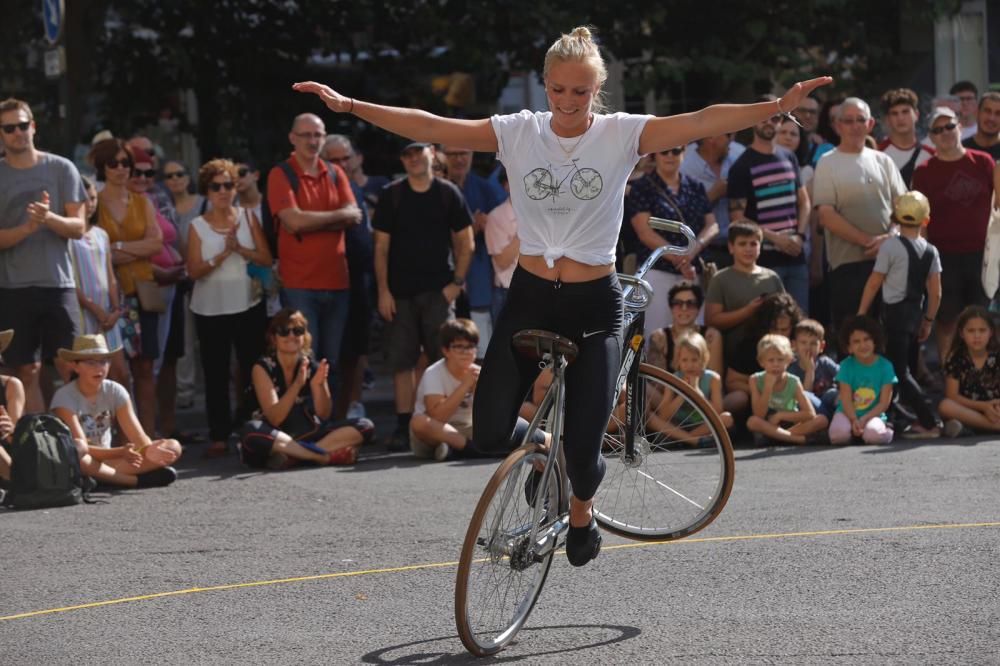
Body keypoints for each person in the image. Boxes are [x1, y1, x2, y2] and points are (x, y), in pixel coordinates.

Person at [293, 25, 830, 566]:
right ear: (544, 85)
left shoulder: (622, 133)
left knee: (587, 450)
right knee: (491, 432)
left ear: (595, 91)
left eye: (580, 92)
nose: (568, 102)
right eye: (558, 90)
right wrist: (351, 105)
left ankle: (580, 512)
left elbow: (700, 119)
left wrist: (775, 106)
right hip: (529, 295)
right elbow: (435, 125)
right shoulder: (517, 131)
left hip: (594, 302)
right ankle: (542, 453)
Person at [371, 142, 474, 452]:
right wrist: (383, 291)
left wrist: (456, 284)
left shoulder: (447, 193)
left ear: (431, 154)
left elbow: (466, 243)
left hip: (438, 293)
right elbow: (381, 249)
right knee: (401, 363)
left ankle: (450, 421)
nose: (413, 159)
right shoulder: (392, 194)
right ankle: (405, 427)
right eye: (406, 154)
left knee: (445, 358)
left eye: (418, 152)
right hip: (399, 294)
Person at [0, 98, 87, 413]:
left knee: (72, 368)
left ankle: (81, 447)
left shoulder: (62, 168)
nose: (18, 133)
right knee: (26, 371)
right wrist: (27, 228)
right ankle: (37, 448)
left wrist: (48, 219)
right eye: (9, 128)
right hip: (12, 288)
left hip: (58, 284)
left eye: (23, 125)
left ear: (33, 126)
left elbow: (79, 227)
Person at [268, 114, 362, 394]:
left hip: (337, 282)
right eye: (306, 135)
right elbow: (293, 221)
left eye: (317, 135)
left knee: (330, 362)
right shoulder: (280, 174)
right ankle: (305, 424)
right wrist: (335, 218)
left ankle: (327, 426)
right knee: (303, 359)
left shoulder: (335, 173)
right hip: (300, 284)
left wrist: (311, 220)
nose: (312, 141)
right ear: (292, 138)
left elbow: (354, 215)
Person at [187, 159, 272, 457]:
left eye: (228, 185)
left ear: (236, 188)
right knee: (215, 372)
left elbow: (265, 258)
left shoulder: (249, 218)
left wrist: (241, 250)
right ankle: (219, 434)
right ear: (207, 191)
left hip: (248, 304)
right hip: (210, 309)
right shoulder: (197, 225)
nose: (223, 191)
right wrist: (221, 256)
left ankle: (251, 426)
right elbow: (194, 271)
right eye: (216, 186)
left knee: (253, 369)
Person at [812, 97, 906, 348]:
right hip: (848, 267)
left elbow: (904, 209)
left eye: (860, 120)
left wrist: (891, 236)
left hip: (890, 264)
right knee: (853, 340)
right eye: (848, 121)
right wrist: (870, 242)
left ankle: (891, 389)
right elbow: (826, 216)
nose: (855, 126)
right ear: (837, 125)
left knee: (891, 341)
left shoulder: (883, 161)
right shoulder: (827, 162)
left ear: (871, 123)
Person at [239, 308, 373, 469]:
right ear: (273, 338)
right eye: (283, 331)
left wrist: (319, 385)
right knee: (251, 430)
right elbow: (275, 418)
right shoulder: (262, 368)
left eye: (298, 331)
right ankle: (320, 456)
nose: (291, 336)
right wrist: (297, 385)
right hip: (273, 436)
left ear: (305, 337)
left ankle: (294, 456)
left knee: (365, 426)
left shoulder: (312, 366)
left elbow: (323, 415)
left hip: (305, 434)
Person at [92, 140, 164, 434]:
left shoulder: (141, 201)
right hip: (109, 296)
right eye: (114, 163)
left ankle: (147, 436)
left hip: (142, 292)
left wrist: (119, 246)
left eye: (126, 163)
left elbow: (156, 243)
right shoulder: (94, 202)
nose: (121, 169)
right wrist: (137, 248)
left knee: (145, 369)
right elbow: (96, 247)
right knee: (117, 371)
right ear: (102, 167)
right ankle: (123, 439)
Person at [912, 106, 995, 363]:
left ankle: (984, 378)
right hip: (943, 257)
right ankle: (950, 377)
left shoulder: (983, 162)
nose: (945, 132)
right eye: (938, 129)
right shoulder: (924, 171)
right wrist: (924, 261)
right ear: (931, 137)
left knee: (983, 320)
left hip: (984, 256)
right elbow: (921, 221)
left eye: (949, 126)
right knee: (947, 321)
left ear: (960, 126)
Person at [857, 190, 942, 438]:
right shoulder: (931, 250)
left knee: (898, 370)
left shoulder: (890, 247)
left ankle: (929, 421)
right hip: (916, 313)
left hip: (894, 314)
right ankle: (907, 418)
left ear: (895, 217)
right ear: (925, 221)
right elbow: (936, 293)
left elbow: (874, 282)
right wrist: (928, 320)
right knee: (909, 368)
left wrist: (862, 313)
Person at [51, 334, 181, 488]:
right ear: (75, 366)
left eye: (103, 362)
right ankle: (135, 481)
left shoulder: (115, 390)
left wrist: (150, 451)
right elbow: (80, 447)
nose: (99, 368)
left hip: (110, 462)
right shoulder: (64, 397)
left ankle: (105, 480)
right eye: (91, 363)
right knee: (81, 457)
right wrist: (121, 452)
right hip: (82, 461)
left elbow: (138, 436)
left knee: (173, 446)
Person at [728, 97, 811, 312]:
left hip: (796, 255)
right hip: (762, 259)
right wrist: (776, 239)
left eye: (775, 118)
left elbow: (804, 202)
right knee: (770, 322)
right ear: (754, 121)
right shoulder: (741, 166)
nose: (769, 122)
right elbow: (737, 218)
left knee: (801, 320)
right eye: (763, 117)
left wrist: (800, 236)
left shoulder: (789, 157)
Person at [627, 143, 719, 333]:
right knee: (656, 334)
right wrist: (680, 257)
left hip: (692, 271)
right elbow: (644, 232)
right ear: (656, 155)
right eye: (664, 151)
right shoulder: (642, 187)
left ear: (684, 153)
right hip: (657, 271)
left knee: (693, 335)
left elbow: (712, 225)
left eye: (676, 151)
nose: (670, 155)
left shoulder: (695, 186)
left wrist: (693, 251)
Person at [704, 220, 785, 412]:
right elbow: (712, 320)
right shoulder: (721, 279)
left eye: (753, 244)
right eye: (742, 244)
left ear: (760, 247)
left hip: (771, 355)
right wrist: (747, 311)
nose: (748, 249)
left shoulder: (772, 277)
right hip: (735, 359)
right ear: (731, 247)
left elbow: (785, 314)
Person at [441, 143, 507, 355]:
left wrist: (489, 224)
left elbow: (504, 225)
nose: (459, 159)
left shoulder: (485, 188)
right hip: (444, 270)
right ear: (442, 156)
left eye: (464, 153)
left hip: (479, 271)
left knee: (481, 343)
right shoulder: (436, 188)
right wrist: (470, 228)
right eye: (453, 153)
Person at [70, 176, 128, 385]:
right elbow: (70, 280)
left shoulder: (101, 234)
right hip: (84, 315)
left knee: (120, 374)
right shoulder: (66, 237)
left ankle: (123, 418)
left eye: (93, 198)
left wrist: (114, 310)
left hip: (108, 316)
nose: (90, 204)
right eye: (84, 199)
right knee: (90, 377)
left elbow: (109, 276)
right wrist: (94, 309)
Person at [409, 318, 480, 461]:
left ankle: (453, 450)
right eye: (459, 346)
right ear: (446, 350)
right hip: (437, 432)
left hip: (467, 429)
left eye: (470, 346)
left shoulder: (479, 373)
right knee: (418, 422)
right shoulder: (433, 373)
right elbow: (437, 417)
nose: (465, 352)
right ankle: (470, 450)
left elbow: (489, 415)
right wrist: (465, 385)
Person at [646, 330, 733, 440]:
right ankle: (692, 439)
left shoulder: (713, 378)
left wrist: (696, 391)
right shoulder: (673, 379)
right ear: (678, 360)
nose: (690, 365)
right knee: (652, 418)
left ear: (703, 359)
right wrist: (683, 394)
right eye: (684, 360)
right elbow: (664, 415)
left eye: (694, 360)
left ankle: (689, 438)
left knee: (726, 418)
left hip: (703, 425)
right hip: (679, 424)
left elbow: (717, 411)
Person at [747, 333, 829, 446]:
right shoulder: (755, 379)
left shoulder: (793, 381)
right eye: (771, 360)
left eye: (780, 360)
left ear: (788, 360)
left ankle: (777, 437)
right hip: (768, 423)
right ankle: (797, 439)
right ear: (761, 362)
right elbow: (758, 414)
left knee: (822, 420)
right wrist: (768, 387)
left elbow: (809, 414)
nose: (776, 364)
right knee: (752, 422)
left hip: (790, 421)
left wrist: (780, 415)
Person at [828, 315, 897, 445]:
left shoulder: (886, 366)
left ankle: (886, 432)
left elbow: (883, 403)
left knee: (873, 436)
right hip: (847, 413)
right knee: (838, 436)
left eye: (867, 339)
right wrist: (854, 420)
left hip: (873, 415)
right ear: (849, 347)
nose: (863, 345)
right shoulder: (846, 366)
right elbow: (846, 399)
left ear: (875, 341)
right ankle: (854, 433)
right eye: (856, 341)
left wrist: (865, 418)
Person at [680, 133, 743, 269]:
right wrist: (712, 195)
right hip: (702, 250)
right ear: (710, 137)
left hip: (740, 250)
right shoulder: (685, 167)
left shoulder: (739, 156)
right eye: (728, 135)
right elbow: (680, 214)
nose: (732, 139)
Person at [938, 306, 1000, 437]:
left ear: (991, 332)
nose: (977, 336)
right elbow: (952, 396)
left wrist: (994, 407)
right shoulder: (956, 359)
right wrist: (983, 406)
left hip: (995, 409)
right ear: (961, 333)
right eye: (971, 331)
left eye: (982, 330)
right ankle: (994, 427)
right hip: (969, 410)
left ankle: (969, 428)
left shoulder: (997, 356)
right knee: (945, 406)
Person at [645, 282, 723, 377]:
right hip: (666, 390)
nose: (684, 308)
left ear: (698, 308)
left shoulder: (711, 336)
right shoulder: (659, 337)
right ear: (671, 307)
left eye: (691, 303)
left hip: (702, 390)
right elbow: (656, 380)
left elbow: (714, 377)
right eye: (678, 303)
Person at [877, 88, 935, 186]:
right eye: (894, 113)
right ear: (887, 119)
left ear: (916, 115)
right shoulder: (878, 155)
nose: (900, 118)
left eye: (905, 112)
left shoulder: (931, 155)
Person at [484, 167, 519, 320]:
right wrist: (528, 227)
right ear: (506, 185)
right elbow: (502, 261)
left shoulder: (544, 213)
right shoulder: (496, 216)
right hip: (508, 293)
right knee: (505, 343)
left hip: (542, 290)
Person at [788, 319, 840, 420]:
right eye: (803, 343)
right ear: (794, 345)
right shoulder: (792, 370)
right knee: (805, 396)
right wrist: (810, 370)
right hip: (811, 412)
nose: (808, 347)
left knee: (832, 393)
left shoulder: (824, 362)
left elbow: (844, 376)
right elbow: (804, 401)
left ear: (821, 346)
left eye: (813, 343)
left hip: (830, 406)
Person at [0, 330, 25, 484]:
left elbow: (19, 441)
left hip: (10, 461)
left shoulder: (11, 385)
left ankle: (19, 485)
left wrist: (9, 429)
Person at [961, 92, 1000, 161]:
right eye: (987, 111)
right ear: (977, 113)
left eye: (998, 113)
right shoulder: (962, 150)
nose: (991, 118)